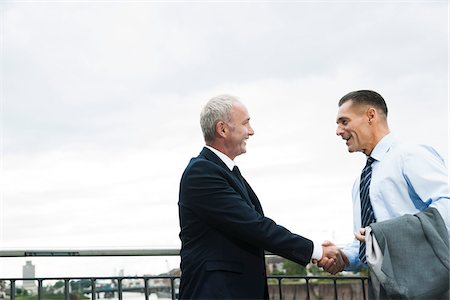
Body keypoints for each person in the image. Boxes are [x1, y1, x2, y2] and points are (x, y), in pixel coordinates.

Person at [178, 94, 348, 299]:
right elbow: (254, 226)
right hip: (216, 292)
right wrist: (317, 252)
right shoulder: (202, 172)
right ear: (222, 129)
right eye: (246, 123)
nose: (251, 131)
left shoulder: (223, 171)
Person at [329, 89, 449, 274]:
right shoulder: (361, 181)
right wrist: (344, 258)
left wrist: (386, 234)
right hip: (384, 285)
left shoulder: (410, 155)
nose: (338, 131)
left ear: (371, 116)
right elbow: (365, 241)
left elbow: (447, 206)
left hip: (426, 280)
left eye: (344, 122)